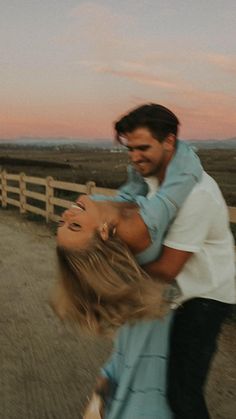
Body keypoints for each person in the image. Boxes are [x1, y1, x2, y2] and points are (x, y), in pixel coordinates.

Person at [91, 103, 235, 419]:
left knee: (182, 391)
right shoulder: (157, 179)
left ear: (169, 141)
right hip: (176, 289)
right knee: (153, 373)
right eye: (130, 149)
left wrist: (108, 275)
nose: (134, 157)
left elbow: (168, 269)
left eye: (143, 147)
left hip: (205, 296)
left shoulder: (197, 194)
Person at [53, 122, 203, 419]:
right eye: (75, 225)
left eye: (63, 222)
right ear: (106, 234)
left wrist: (101, 387)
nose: (68, 213)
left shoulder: (114, 215)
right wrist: (171, 142)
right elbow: (185, 175)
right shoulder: (143, 226)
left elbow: (131, 190)